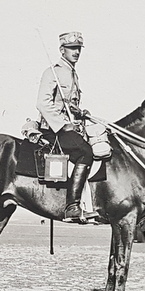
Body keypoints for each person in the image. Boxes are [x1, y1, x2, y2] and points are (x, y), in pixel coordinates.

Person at [36, 31, 95, 223]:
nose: (76, 52)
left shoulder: (72, 74)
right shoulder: (52, 72)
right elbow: (43, 103)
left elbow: (67, 105)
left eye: (78, 48)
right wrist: (63, 126)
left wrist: (79, 113)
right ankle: (72, 207)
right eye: (72, 48)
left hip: (67, 127)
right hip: (52, 129)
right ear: (62, 50)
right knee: (85, 152)